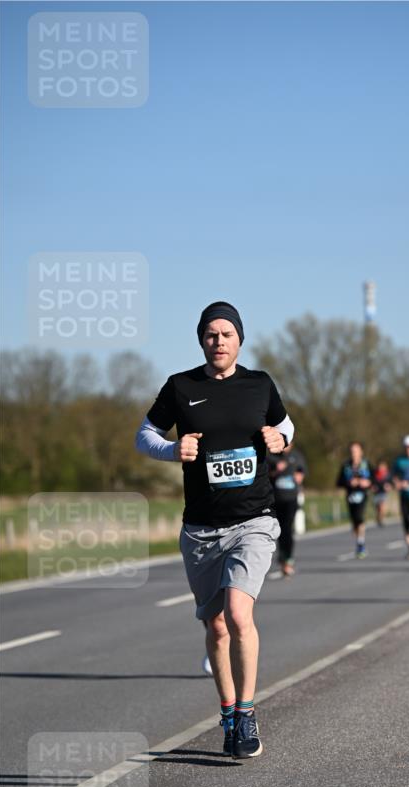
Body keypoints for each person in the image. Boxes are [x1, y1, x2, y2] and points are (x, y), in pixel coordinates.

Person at [135, 300, 293, 760]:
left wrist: (280, 439)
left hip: (254, 521)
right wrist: (171, 449)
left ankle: (246, 713)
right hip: (202, 529)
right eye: (210, 334)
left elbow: (287, 426)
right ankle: (227, 713)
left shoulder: (259, 384)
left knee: (239, 615)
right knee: (217, 625)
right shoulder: (181, 387)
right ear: (201, 339)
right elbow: (143, 435)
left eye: (226, 333)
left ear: (240, 338)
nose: (218, 341)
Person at [268, 443, 306, 576]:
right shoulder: (272, 456)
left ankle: (288, 558)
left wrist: (299, 477)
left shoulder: (296, 456)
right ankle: (283, 555)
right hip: (276, 499)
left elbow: (302, 472)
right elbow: (265, 476)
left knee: (287, 529)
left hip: (291, 499)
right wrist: (276, 471)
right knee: (278, 530)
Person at [336, 442, 373, 558]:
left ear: (361, 452)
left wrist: (367, 483)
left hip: (362, 495)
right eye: (352, 451)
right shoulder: (346, 465)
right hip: (350, 496)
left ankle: (361, 543)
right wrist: (349, 483)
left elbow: (375, 480)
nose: (354, 454)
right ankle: (359, 542)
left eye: (356, 451)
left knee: (360, 518)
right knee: (355, 522)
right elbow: (338, 482)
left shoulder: (367, 464)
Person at [372, 460, 392, 527]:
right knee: (378, 508)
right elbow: (371, 482)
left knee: (382, 507)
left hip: (383, 493)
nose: (381, 468)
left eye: (383, 467)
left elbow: (391, 483)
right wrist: (373, 487)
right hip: (376, 493)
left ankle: (381, 519)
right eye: (380, 467)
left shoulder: (387, 474)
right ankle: (378, 518)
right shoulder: (375, 474)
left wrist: (389, 486)